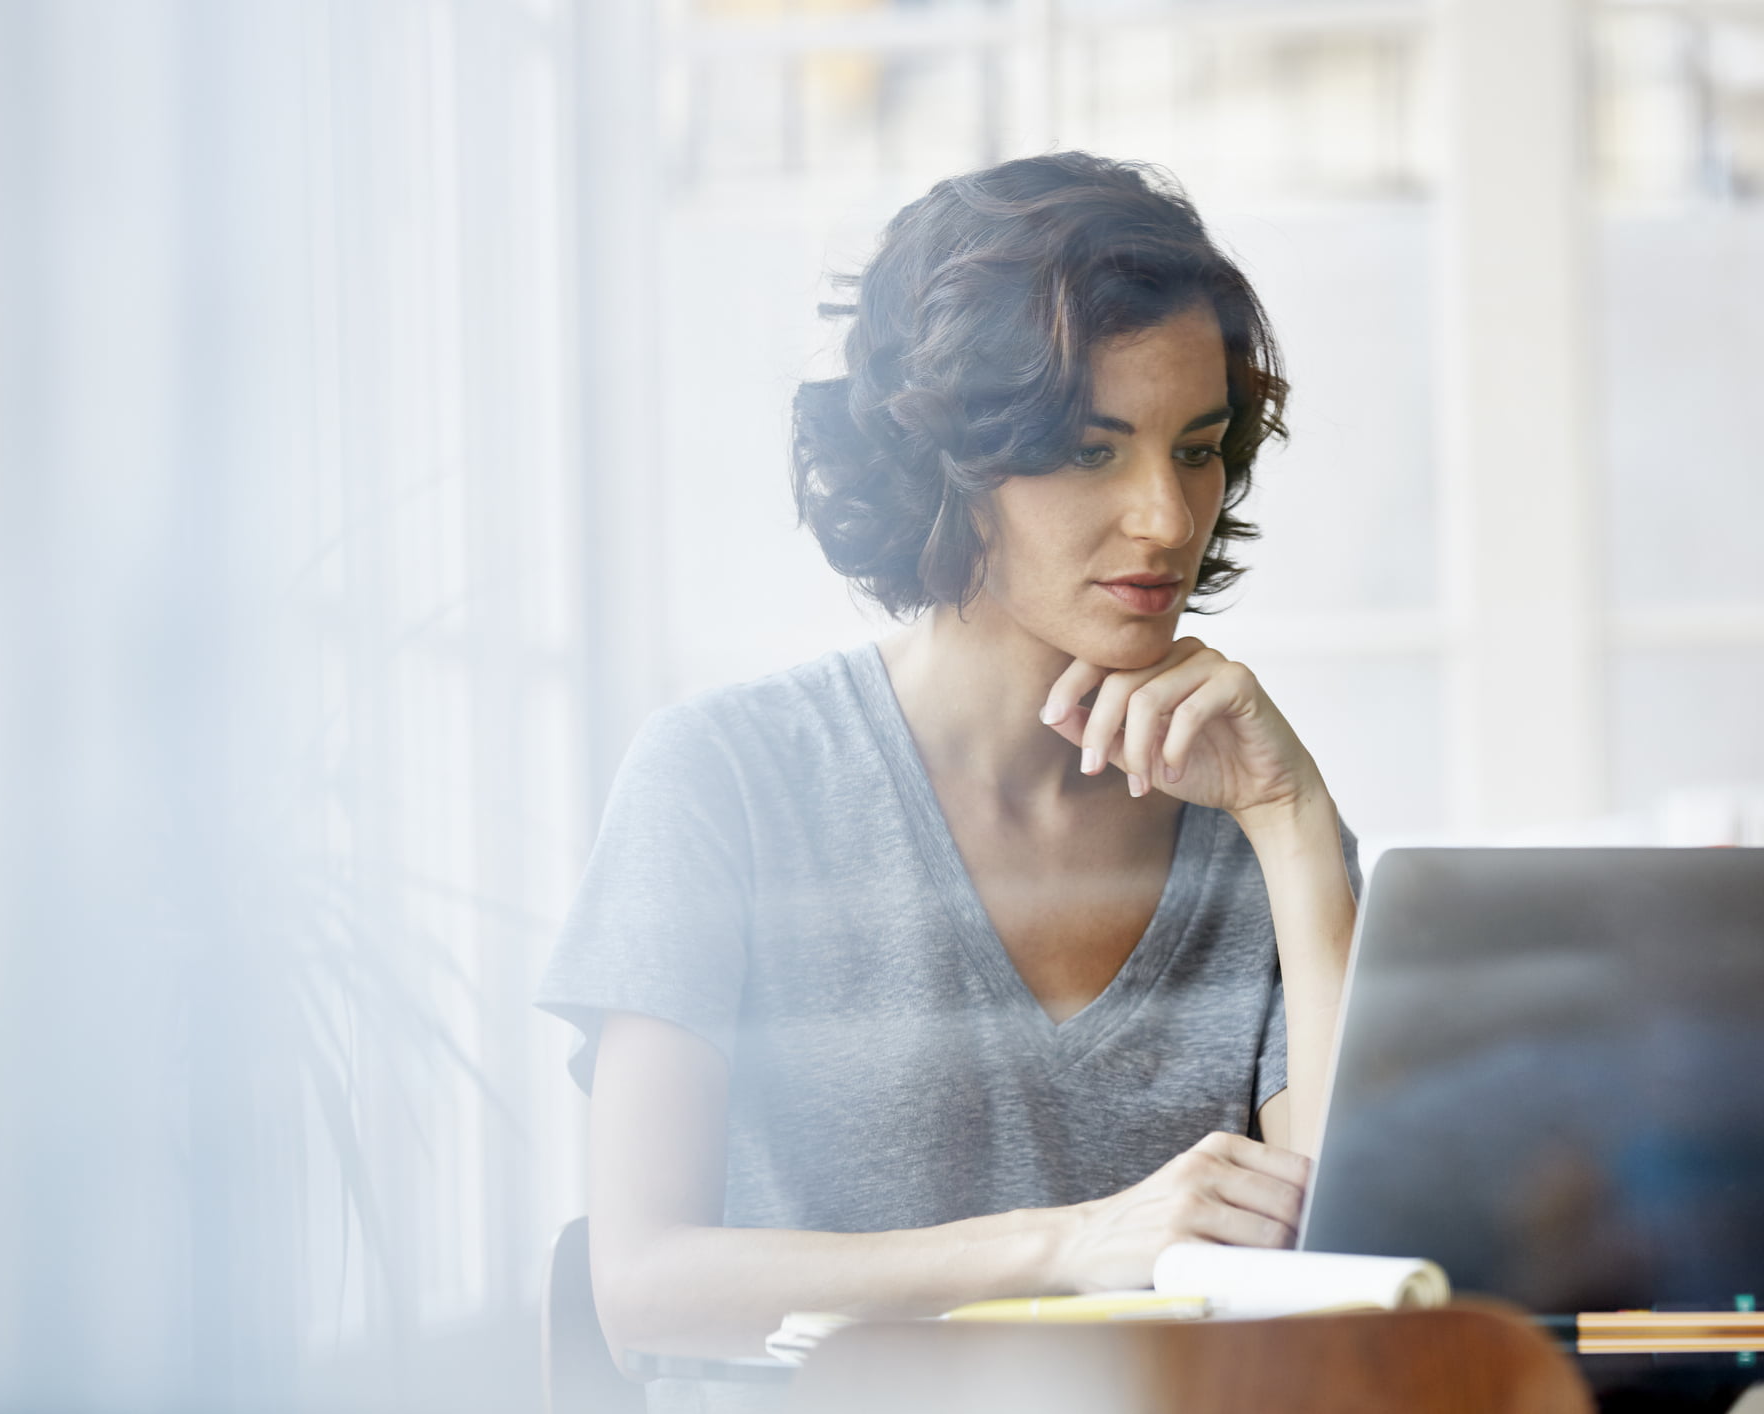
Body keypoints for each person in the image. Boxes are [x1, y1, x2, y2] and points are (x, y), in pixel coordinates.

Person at [536, 152, 1361, 1363]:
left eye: (1197, 447)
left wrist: (1293, 826)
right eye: (1092, 450)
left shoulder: (1255, 813)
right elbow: (644, 1281)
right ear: (949, 463)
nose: (1168, 519)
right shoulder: (726, 780)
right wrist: (1070, 1245)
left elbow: (1350, 1271)